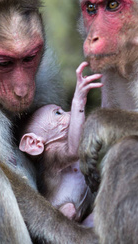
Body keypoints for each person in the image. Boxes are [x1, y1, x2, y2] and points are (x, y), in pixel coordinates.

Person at [19, 62, 102, 226]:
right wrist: (78, 101)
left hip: (84, 214)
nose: (69, 113)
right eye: (57, 113)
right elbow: (73, 150)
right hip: (62, 220)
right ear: (34, 143)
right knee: (68, 211)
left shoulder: (73, 143)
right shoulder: (52, 155)